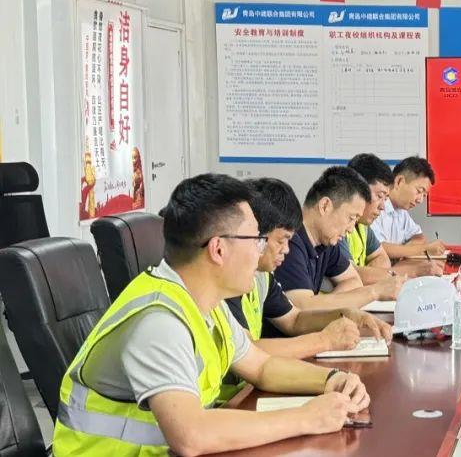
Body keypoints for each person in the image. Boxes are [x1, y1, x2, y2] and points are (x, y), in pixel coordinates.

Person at [53, 174, 370, 456]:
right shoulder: (159, 322)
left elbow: (262, 367)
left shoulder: (206, 304)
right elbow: (191, 436)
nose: (261, 251)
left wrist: (332, 380)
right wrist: (307, 418)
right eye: (256, 240)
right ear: (218, 249)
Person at [224, 177, 392, 359]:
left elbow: (294, 319)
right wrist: (324, 340)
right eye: (281, 241)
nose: (286, 249)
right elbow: (248, 354)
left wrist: (346, 315)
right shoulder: (228, 279)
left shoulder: (262, 275)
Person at [274, 166, 403, 311]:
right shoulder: (288, 242)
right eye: (351, 218)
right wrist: (374, 292)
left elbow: (354, 280)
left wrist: (323, 304)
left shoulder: (326, 243)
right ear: (325, 206)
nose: (351, 228)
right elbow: (303, 309)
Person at [342, 153, 443, 281]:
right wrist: (412, 268)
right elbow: (351, 275)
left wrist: (397, 260)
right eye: (379, 196)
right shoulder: (341, 225)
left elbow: (382, 258)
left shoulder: (363, 225)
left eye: (385, 198)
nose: (382, 206)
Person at [369, 156, 448, 259]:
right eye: (419, 191)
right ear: (399, 181)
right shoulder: (375, 207)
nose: (420, 200)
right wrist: (423, 249)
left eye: (424, 195)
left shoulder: (401, 211)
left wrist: (402, 252)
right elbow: (379, 248)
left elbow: (419, 237)